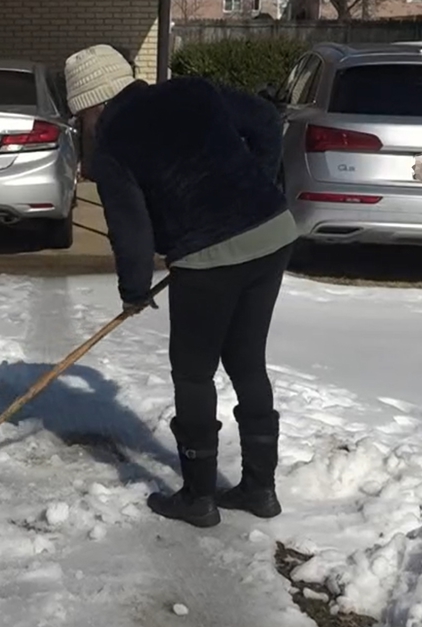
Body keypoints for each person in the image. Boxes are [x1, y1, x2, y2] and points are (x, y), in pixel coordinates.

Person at [63, 44, 297, 528]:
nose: (84, 125)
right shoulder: (192, 91)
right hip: (273, 233)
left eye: (81, 114)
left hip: (208, 257)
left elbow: (132, 230)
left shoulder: (113, 145)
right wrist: (259, 185)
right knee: (247, 362)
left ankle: (198, 496)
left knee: (193, 373)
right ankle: (259, 488)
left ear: (93, 104)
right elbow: (268, 124)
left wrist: (133, 290)